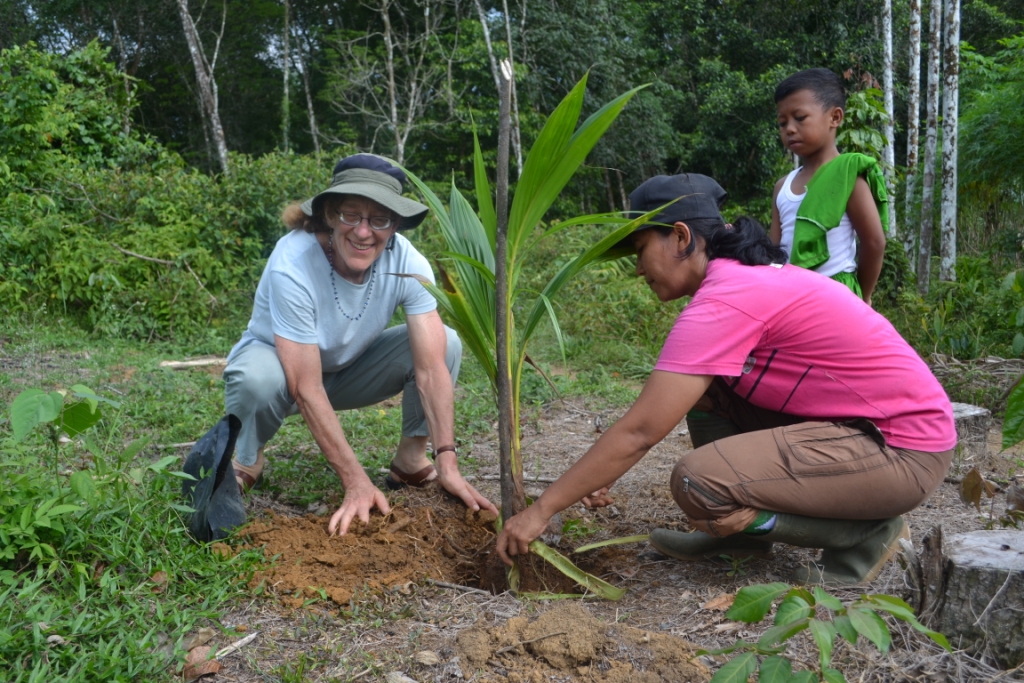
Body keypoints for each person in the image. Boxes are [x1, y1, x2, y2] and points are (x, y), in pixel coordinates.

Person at [495, 173, 955, 586]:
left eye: (640, 251)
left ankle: (868, 534)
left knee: (699, 483)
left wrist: (541, 510)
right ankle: (742, 539)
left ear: (680, 237)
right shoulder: (740, 279)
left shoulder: (727, 299)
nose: (637, 269)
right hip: (866, 434)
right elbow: (655, 409)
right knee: (706, 390)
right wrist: (593, 473)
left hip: (900, 452)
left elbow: (639, 432)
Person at [223, 154, 496, 536]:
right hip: (284, 373)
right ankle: (248, 461)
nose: (363, 232)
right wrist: (356, 481)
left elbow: (432, 369)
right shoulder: (293, 263)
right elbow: (305, 385)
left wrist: (448, 462)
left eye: (379, 219)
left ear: (395, 225)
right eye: (351, 215)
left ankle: (411, 461)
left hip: (348, 369)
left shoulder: (407, 262)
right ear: (330, 215)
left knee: (445, 342)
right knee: (256, 378)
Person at [770, 68, 887, 305]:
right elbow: (774, 251)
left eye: (800, 118)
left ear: (835, 118)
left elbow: (874, 242)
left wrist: (862, 296)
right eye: (783, 123)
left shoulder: (847, 176)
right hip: (789, 300)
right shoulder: (782, 187)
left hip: (835, 298)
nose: (789, 129)